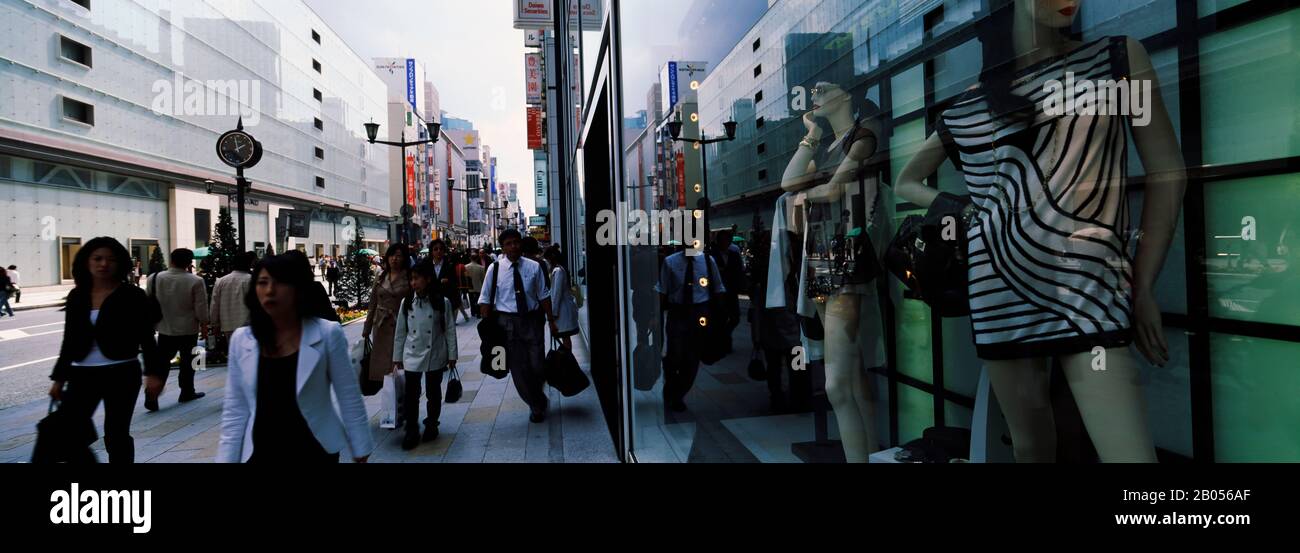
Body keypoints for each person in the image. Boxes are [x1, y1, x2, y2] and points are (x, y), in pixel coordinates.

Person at [894, 0, 1186, 462]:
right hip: (999, 288)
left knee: (1128, 454)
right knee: (1031, 446)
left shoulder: (1114, 59)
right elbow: (906, 181)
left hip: (1091, 290)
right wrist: (971, 207)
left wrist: (1144, 283)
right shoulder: (971, 103)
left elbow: (1167, 171)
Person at [216, 253, 374, 463]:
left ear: (297, 289)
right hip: (261, 449)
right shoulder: (242, 340)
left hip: (314, 447)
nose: (270, 290)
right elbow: (235, 409)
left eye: (280, 282)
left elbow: (348, 393)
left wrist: (360, 445)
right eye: (262, 282)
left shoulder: (327, 333)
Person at [49, 237, 163, 463]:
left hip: (121, 372)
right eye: (97, 258)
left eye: (110, 259)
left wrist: (154, 374)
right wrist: (59, 378)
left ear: (120, 263)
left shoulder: (132, 295)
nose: (103, 264)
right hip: (82, 374)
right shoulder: (78, 295)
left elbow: (146, 338)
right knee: (72, 434)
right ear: (86, 262)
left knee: (116, 434)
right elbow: (69, 340)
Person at [478, 229, 554, 423]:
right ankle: (536, 405)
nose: (513, 247)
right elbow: (485, 299)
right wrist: (488, 329)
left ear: (521, 244)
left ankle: (537, 397)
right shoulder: (494, 269)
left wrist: (552, 321)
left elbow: (544, 295)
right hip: (507, 324)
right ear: (502, 248)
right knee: (518, 370)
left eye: (516, 242)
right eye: (509, 244)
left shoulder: (534, 267)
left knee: (537, 365)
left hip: (532, 321)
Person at [392, 260, 457, 450]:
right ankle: (411, 429)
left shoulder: (441, 302)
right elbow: (400, 333)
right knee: (411, 395)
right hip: (411, 354)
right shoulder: (407, 303)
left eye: (417, 279)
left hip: (435, 352)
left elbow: (450, 330)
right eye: (411, 279)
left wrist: (452, 355)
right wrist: (397, 358)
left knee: (433, 392)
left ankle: (431, 424)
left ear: (428, 279)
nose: (414, 283)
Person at [656, 242, 726, 412]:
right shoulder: (670, 262)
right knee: (675, 355)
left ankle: (677, 394)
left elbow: (718, 288)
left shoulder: (708, 261)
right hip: (678, 312)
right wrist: (655, 316)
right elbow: (662, 291)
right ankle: (672, 387)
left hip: (700, 311)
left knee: (692, 357)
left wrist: (720, 318)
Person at [144, 248, 209, 411]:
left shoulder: (155, 278)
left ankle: (152, 394)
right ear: (189, 263)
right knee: (191, 361)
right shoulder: (195, 281)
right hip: (189, 328)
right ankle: (187, 391)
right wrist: (205, 324)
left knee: (162, 363)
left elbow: (147, 304)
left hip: (164, 327)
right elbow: (201, 307)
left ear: (171, 259)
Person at [362, 244, 412, 390]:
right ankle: (389, 399)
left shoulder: (409, 276)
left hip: (401, 325)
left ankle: (402, 398)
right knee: (384, 369)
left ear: (404, 258)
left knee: (400, 366)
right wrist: (367, 327)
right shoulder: (381, 275)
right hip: (381, 325)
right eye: (391, 255)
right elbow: (373, 302)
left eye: (398, 255)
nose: (394, 259)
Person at [210, 252, 256, 358]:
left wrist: (215, 324)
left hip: (228, 324)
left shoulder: (221, 281)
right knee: (249, 356)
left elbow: (214, 305)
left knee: (234, 354)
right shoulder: (251, 280)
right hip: (248, 323)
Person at [544, 245, 579, 350]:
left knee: (565, 337)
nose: (548, 262)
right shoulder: (560, 269)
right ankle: (568, 360)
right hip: (563, 309)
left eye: (548, 259)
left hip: (562, 310)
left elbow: (556, 294)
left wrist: (553, 313)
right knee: (565, 337)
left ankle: (568, 361)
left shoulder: (558, 271)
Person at [424, 240, 464, 324]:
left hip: (446, 302)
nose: (439, 251)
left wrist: (448, 281)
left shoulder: (449, 264)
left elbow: (455, 282)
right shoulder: (426, 264)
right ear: (431, 251)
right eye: (436, 249)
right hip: (430, 302)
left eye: (441, 249)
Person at [465, 250, 487, 319]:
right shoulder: (481, 268)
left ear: (470, 258)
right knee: (478, 300)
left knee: (471, 300)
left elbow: (465, 278)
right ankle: (478, 312)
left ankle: (473, 312)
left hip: (470, 286)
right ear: (477, 258)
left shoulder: (466, 267)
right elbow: (483, 279)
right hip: (479, 286)